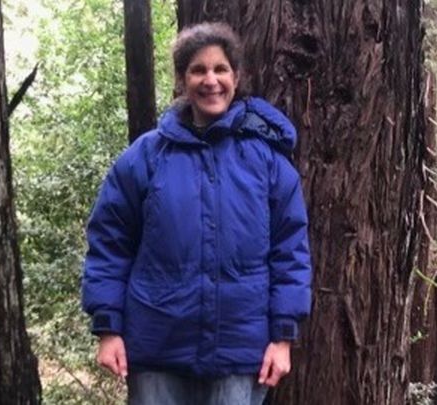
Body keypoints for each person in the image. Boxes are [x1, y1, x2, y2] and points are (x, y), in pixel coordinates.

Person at [81, 22, 312, 405]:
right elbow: (110, 243)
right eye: (198, 70)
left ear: (236, 77)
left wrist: (283, 337)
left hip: (240, 350)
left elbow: (290, 253)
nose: (211, 80)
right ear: (182, 80)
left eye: (220, 69)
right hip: (156, 346)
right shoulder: (144, 158)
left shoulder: (268, 163)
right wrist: (108, 328)